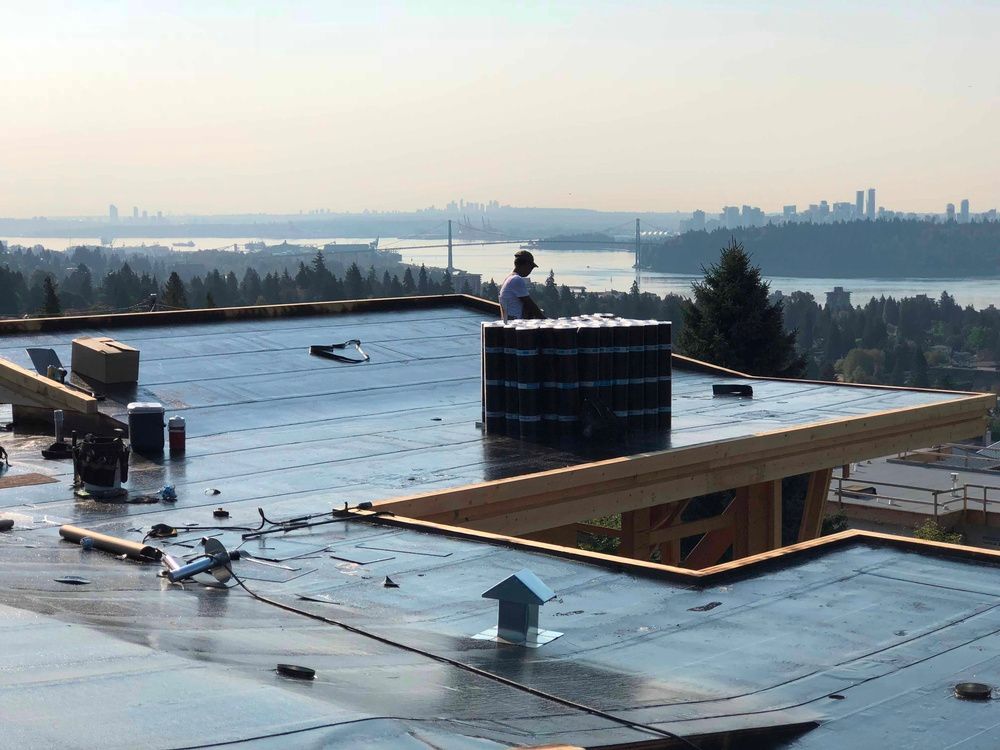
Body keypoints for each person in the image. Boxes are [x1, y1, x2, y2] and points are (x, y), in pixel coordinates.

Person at [499, 250, 546, 320]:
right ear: (526, 265)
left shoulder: (509, 278)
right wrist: (545, 320)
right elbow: (530, 305)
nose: (531, 271)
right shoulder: (517, 279)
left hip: (508, 320)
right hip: (514, 322)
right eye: (531, 267)